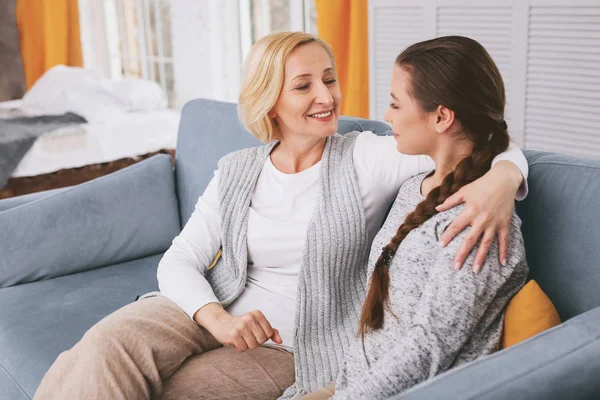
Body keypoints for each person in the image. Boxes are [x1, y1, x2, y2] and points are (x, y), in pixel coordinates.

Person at [34, 32, 528, 400]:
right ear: (271, 100)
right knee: (103, 346)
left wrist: (504, 180)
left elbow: (480, 138)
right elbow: (180, 259)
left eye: (330, 79)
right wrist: (219, 320)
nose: (327, 96)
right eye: (304, 86)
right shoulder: (238, 169)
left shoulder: (368, 157)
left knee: (178, 392)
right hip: (212, 307)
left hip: (293, 343)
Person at [303, 36, 529, 400]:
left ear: (441, 117)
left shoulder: (480, 224)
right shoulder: (414, 188)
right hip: (351, 386)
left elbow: (428, 348)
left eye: (395, 103)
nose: (387, 116)